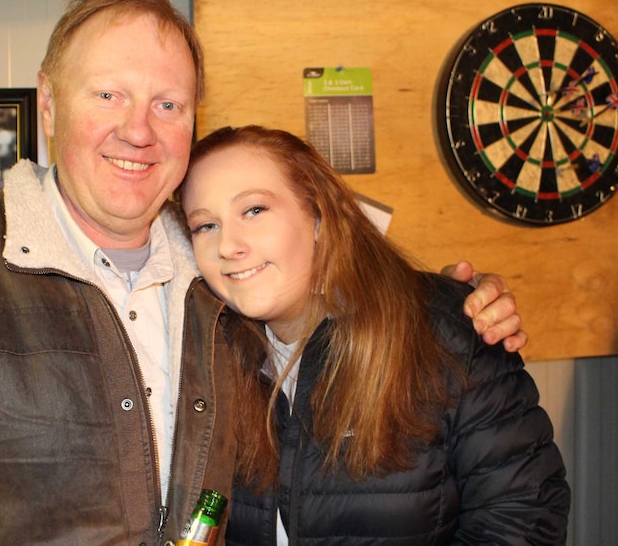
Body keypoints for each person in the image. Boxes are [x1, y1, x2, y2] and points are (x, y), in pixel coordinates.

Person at [0, 0, 525, 546]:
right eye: (109, 94)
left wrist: (461, 306)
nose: (139, 130)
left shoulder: (222, 277)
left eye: (169, 104)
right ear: (50, 104)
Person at [177, 125, 570, 545]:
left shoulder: (447, 331)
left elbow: (521, 520)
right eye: (205, 226)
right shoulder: (209, 356)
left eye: (254, 210)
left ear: (318, 217)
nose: (228, 245)